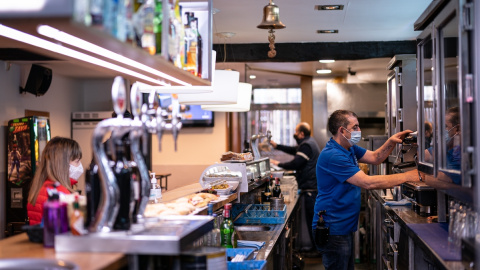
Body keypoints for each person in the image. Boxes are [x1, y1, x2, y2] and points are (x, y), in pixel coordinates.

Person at [313, 110, 421, 270]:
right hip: (333, 228)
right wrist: (409, 176)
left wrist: (391, 141)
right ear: (342, 131)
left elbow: (375, 158)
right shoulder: (332, 155)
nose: (359, 130)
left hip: (344, 226)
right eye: (355, 127)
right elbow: (367, 182)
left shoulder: (349, 148)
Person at [270, 122, 320, 250]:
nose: (294, 134)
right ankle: (317, 249)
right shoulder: (307, 143)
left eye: (296, 132)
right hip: (311, 188)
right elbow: (293, 150)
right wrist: (276, 146)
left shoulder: (307, 146)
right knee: (312, 221)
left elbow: (296, 163)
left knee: (313, 222)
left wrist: (277, 163)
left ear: (301, 134)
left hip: (311, 189)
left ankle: (317, 250)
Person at [27, 137, 83, 225]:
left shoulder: (41, 186)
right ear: (63, 164)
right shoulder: (59, 192)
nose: (80, 165)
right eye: (77, 161)